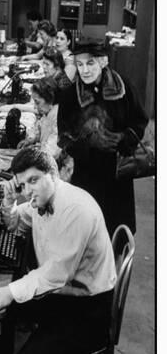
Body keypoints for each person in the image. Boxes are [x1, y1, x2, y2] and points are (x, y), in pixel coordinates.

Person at [0, 146, 116, 354]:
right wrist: (9, 204)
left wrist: (9, 291)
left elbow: (55, 275)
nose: (28, 190)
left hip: (89, 311)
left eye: (34, 180)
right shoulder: (41, 199)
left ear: (54, 174)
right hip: (65, 295)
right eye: (22, 185)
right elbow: (17, 222)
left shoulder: (75, 209)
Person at [57, 43, 148, 235]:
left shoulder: (123, 86)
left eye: (90, 63)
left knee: (116, 227)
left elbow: (140, 120)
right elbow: (63, 135)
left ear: (103, 61)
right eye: (80, 65)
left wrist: (126, 140)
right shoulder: (70, 95)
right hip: (87, 172)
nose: (84, 70)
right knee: (87, 227)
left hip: (118, 169)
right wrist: (86, 145)